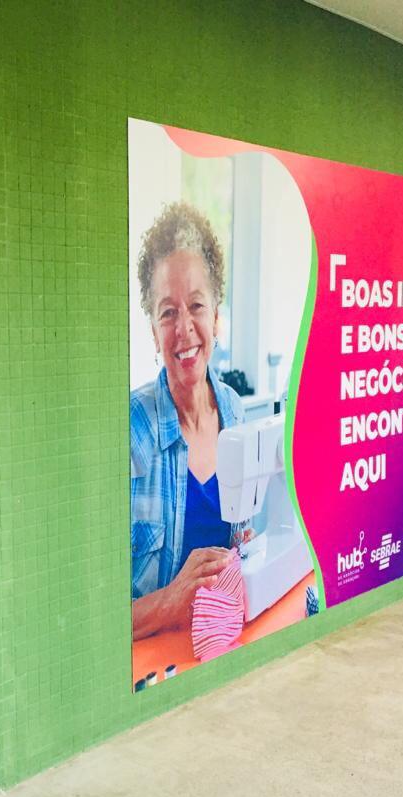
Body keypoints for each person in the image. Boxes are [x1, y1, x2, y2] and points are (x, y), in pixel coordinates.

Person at [130, 201, 248, 640]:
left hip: (224, 644)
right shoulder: (128, 432)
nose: (184, 329)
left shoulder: (234, 411)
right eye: (167, 312)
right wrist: (170, 600)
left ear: (215, 318)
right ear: (153, 331)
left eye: (196, 305)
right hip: (154, 667)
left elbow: (243, 539)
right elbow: (88, 613)